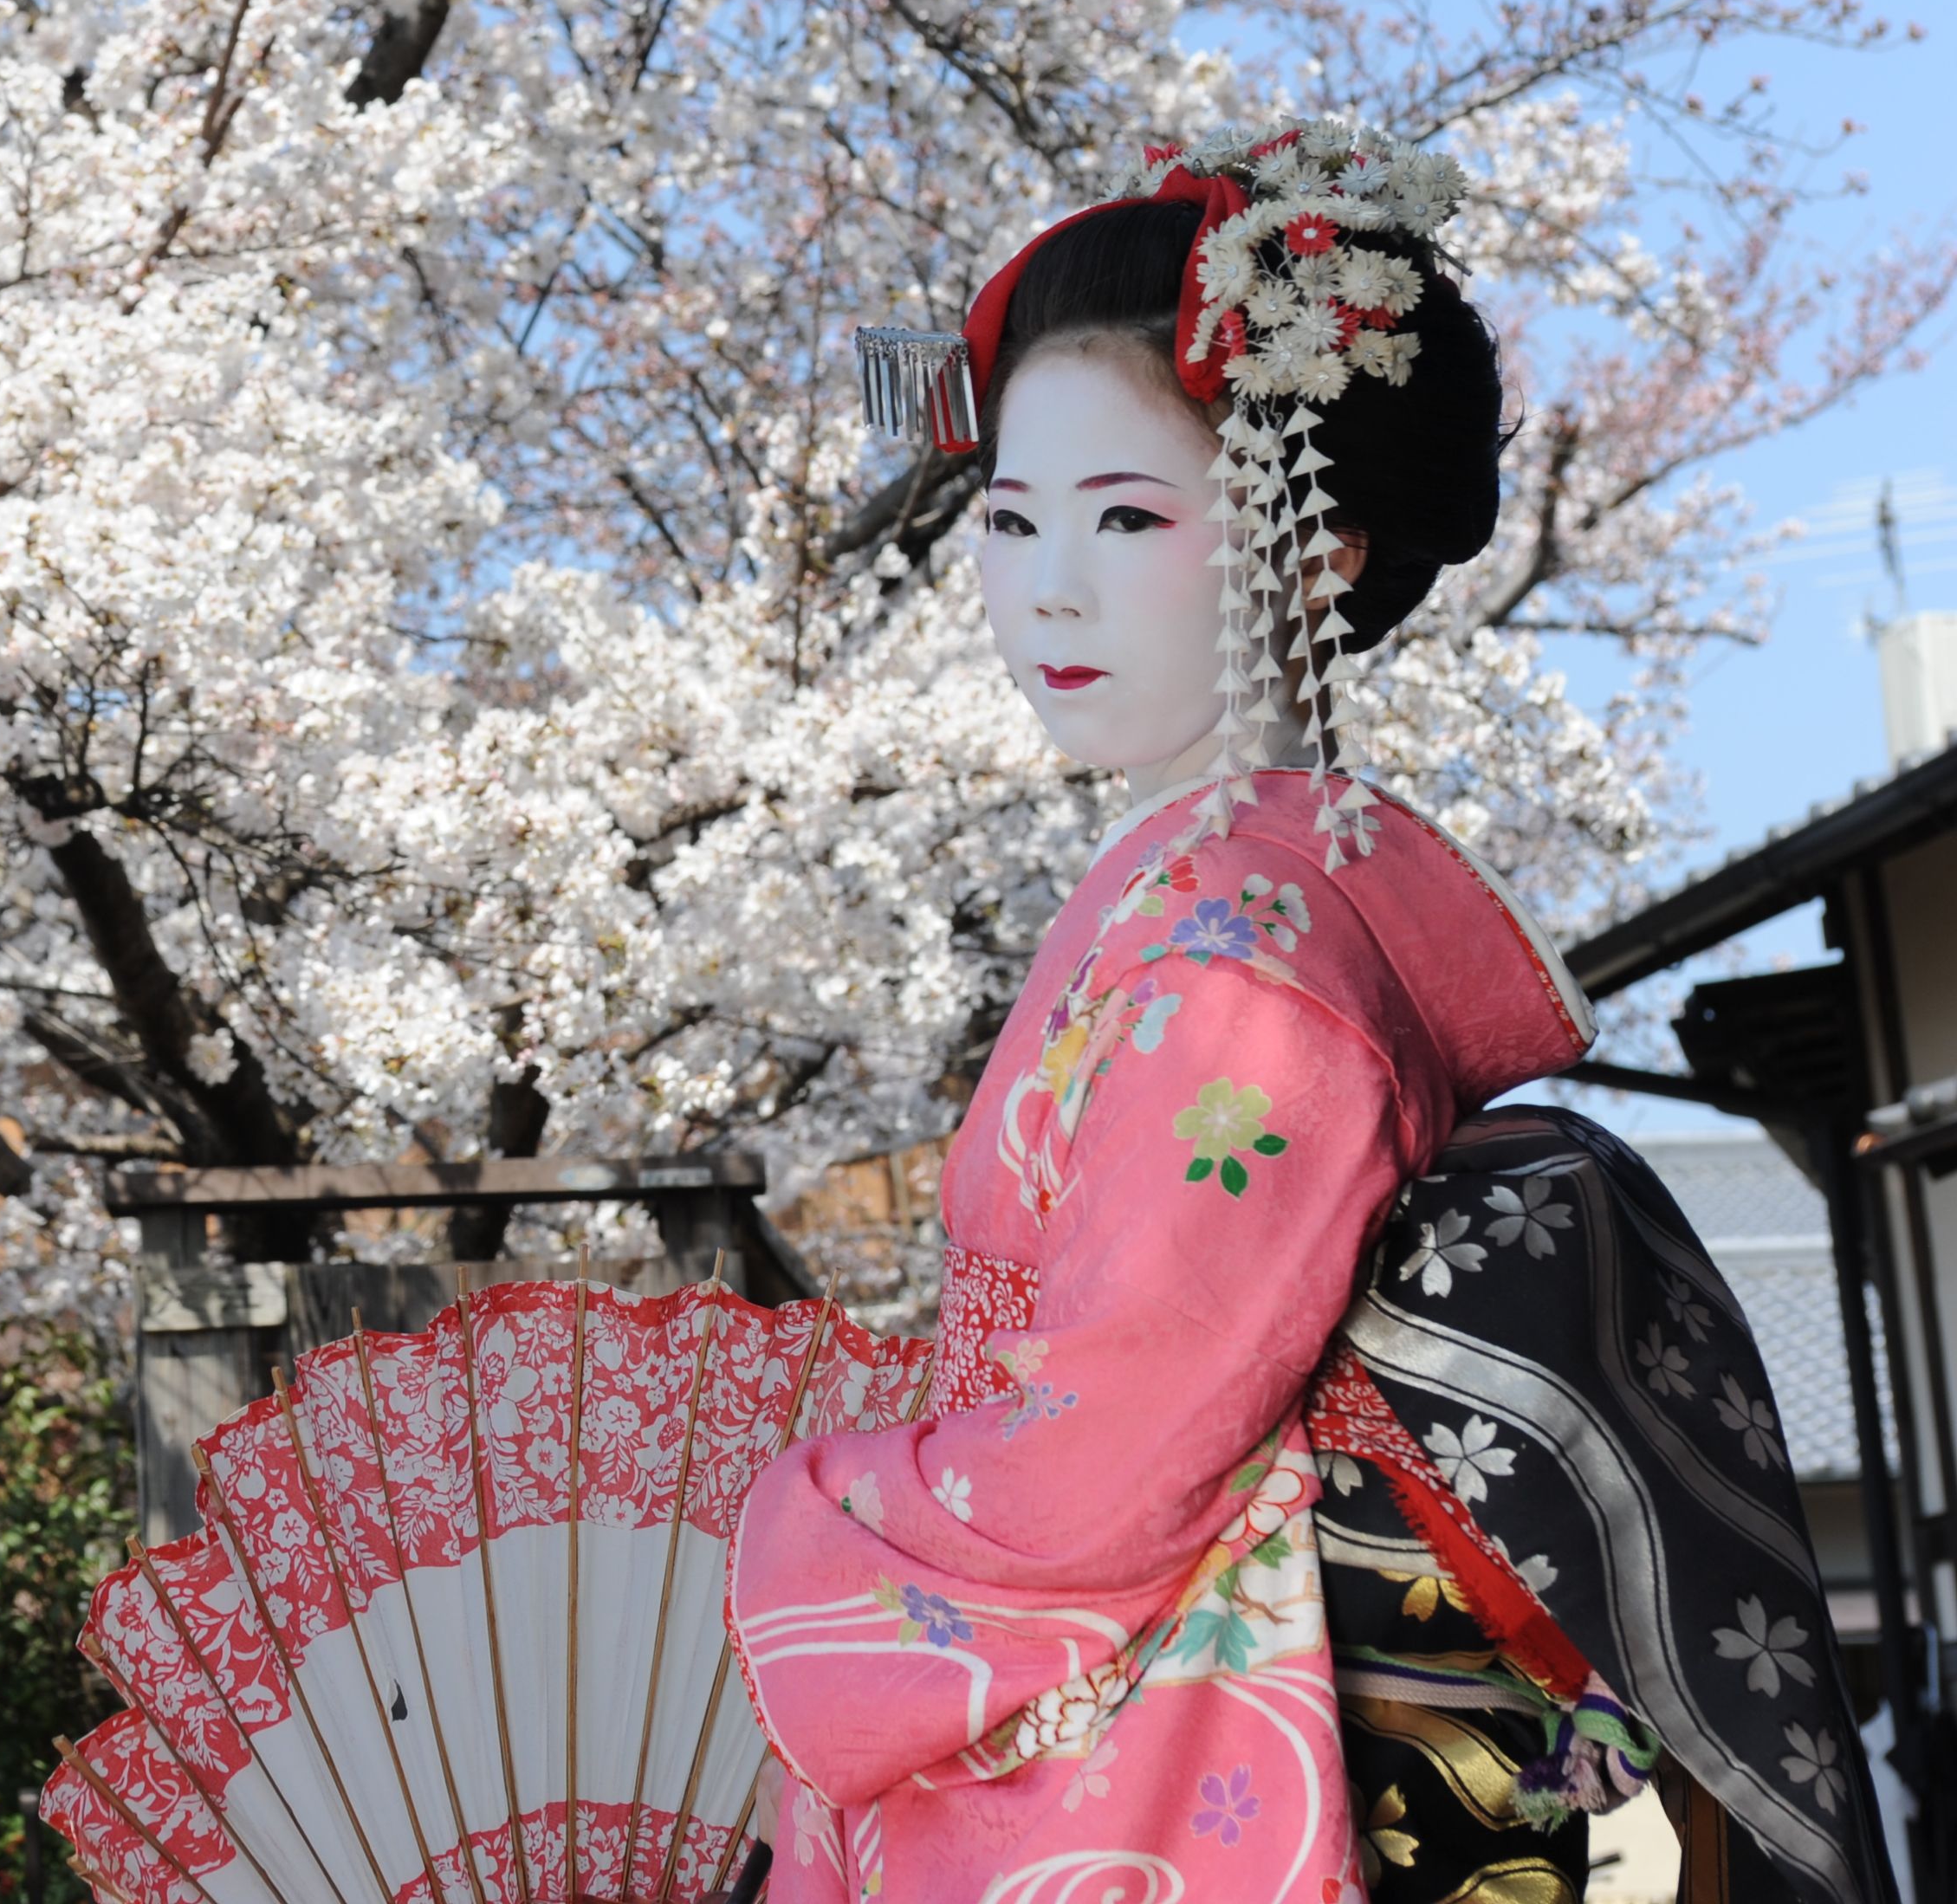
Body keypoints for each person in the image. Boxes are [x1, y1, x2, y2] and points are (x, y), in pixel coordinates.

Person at [724, 123, 1873, 1900]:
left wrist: (825, 1528)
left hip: (1193, 1707)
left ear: (1315, 547)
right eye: (1009, 517)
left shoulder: (1233, 953)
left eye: (1125, 517)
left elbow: (1119, 1432)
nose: (1047, 586)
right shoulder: (1212, 901)